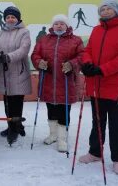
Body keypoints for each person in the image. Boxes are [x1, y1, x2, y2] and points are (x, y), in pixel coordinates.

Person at [78, 0, 118, 175]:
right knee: (97, 120)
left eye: (108, 8)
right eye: (102, 8)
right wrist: (87, 64)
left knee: (116, 124)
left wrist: (102, 70)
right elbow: (87, 51)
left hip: (116, 85)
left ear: (117, 10)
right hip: (96, 84)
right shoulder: (96, 30)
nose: (104, 11)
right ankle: (95, 152)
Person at [31, 14, 84, 152]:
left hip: (66, 83)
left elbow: (82, 56)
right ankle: (53, 135)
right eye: (56, 24)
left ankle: (62, 139)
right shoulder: (44, 40)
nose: (59, 26)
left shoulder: (76, 40)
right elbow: (35, 54)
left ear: (67, 26)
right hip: (48, 81)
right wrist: (39, 62)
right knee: (51, 110)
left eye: (62, 23)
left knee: (64, 111)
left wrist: (72, 64)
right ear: (52, 26)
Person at [0, 6, 32, 145]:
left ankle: (15, 128)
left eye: (13, 17)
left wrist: (8, 57)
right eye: (8, 17)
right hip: (4, 72)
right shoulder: (0, 33)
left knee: (16, 102)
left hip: (18, 72)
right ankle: (12, 125)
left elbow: (23, 50)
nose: (10, 19)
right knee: (7, 101)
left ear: (18, 18)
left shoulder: (24, 32)